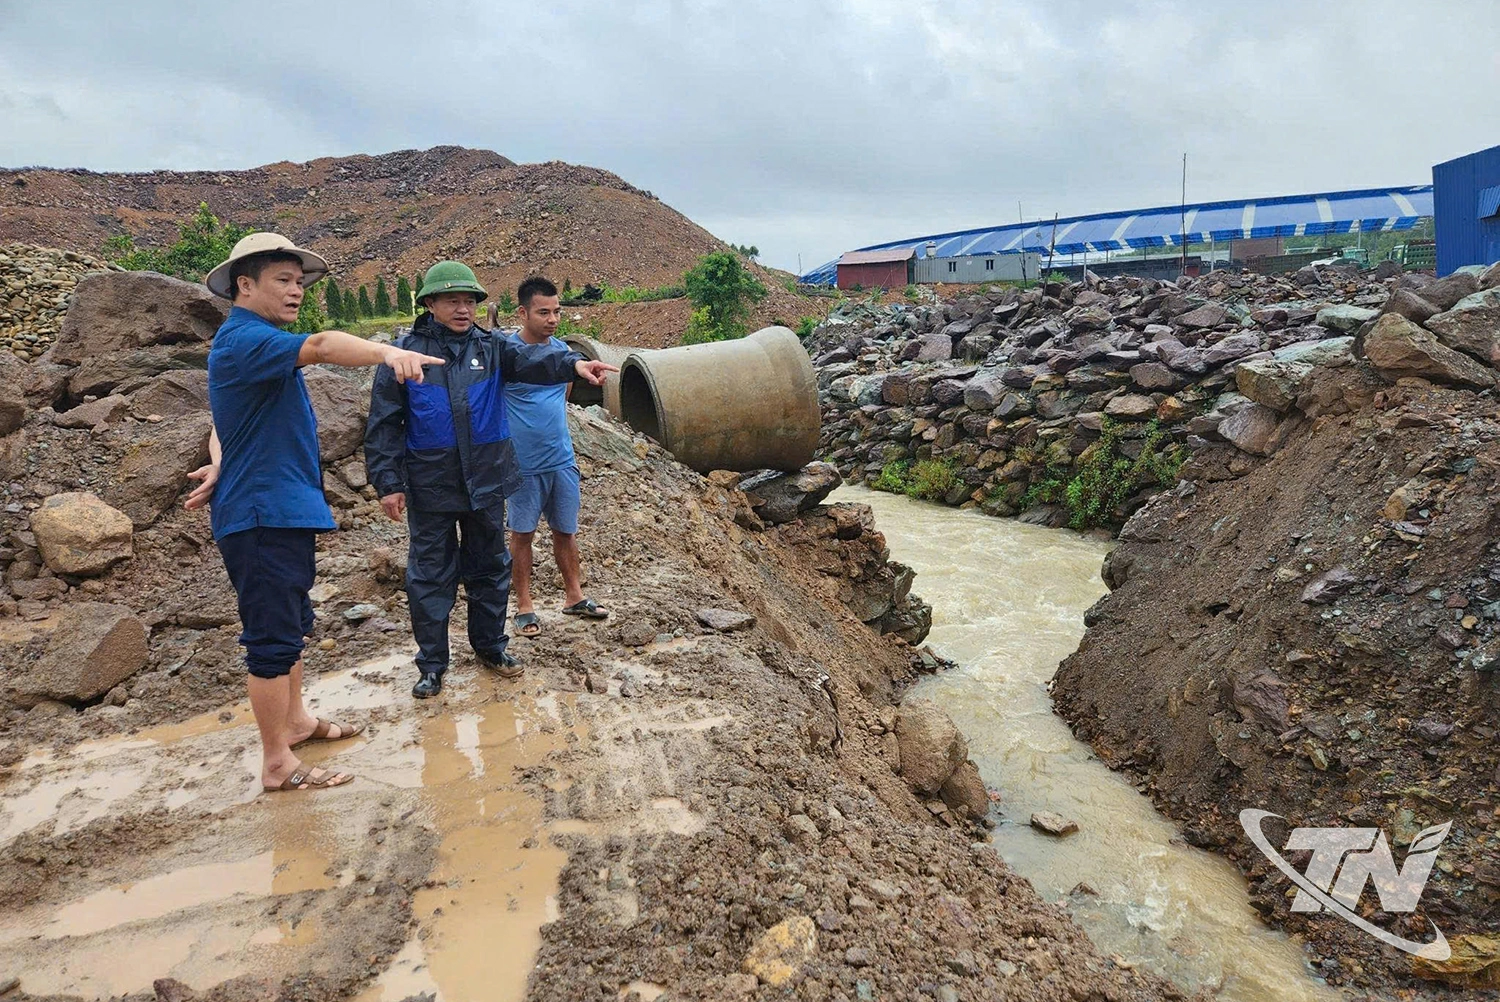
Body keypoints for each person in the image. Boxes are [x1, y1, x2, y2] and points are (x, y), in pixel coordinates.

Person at [189, 232, 444, 793]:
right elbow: (325, 345)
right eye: (283, 280)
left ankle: (297, 722)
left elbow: (222, 421)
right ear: (245, 285)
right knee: (271, 639)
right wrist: (388, 351)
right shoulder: (245, 340)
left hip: (279, 508)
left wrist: (219, 462)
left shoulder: (255, 346)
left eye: (300, 282)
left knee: (293, 624)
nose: (295, 291)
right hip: (261, 516)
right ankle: (277, 762)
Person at [364, 261, 616, 699]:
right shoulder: (404, 354)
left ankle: (491, 647)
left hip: (485, 480)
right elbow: (384, 423)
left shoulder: (493, 347)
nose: (463, 309)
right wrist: (388, 482)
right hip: (431, 483)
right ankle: (432, 666)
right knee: (430, 575)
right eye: (452, 301)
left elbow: (537, 356)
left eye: (469, 301)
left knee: (489, 568)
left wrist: (573, 365)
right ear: (429, 303)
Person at [504, 277, 610, 638]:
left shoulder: (565, 355)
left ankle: (574, 597)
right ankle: (524, 605)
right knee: (522, 535)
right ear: (523, 312)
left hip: (561, 461)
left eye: (557, 311)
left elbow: (562, 401)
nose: (552, 319)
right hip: (523, 466)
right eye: (543, 312)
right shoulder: (506, 355)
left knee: (565, 531)